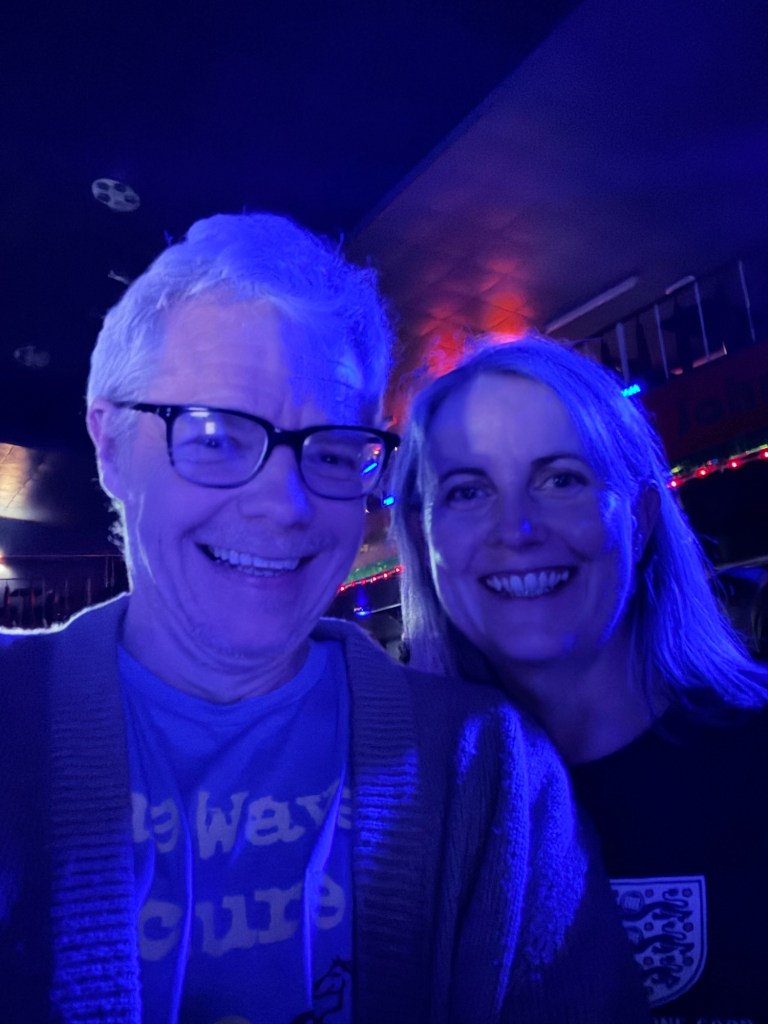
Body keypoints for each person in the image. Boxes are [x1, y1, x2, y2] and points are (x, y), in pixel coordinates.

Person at [0, 218, 646, 1023]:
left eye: (334, 452)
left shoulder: (490, 773)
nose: (286, 505)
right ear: (110, 447)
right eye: (215, 436)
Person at [391, 332, 768, 1024]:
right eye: (468, 491)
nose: (517, 529)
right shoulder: (394, 810)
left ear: (642, 518)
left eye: (560, 479)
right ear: (424, 537)